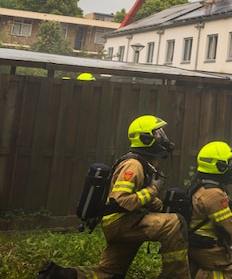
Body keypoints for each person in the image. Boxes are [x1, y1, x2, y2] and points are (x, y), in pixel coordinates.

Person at [37, 115, 190, 279]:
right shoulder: (134, 165)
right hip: (122, 223)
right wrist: (153, 189)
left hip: (124, 221)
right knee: (174, 224)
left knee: (110, 274)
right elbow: (122, 200)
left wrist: (160, 207)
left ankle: (57, 275)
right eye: (158, 134)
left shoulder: (143, 164)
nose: (164, 138)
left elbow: (138, 198)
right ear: (146, 138)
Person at [187, 141, 232, 279]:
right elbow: (227, 224)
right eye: (229, 163)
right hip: (204, 248)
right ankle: (192, 274)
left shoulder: (201, 185)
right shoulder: (214, 194)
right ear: (219, 166)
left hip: (196, 244)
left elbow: (226, 221)